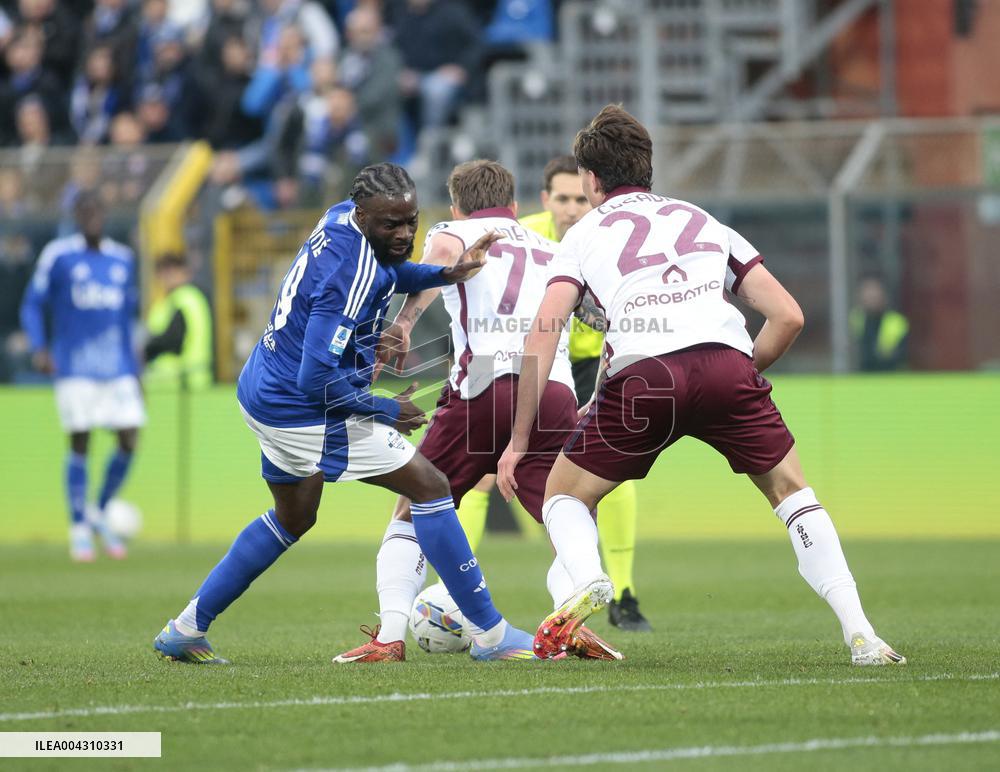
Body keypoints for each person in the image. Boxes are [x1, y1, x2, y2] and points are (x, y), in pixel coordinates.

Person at [497, 105, 906, 667]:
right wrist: (741, 372)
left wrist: (519, 441)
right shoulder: (702, 219)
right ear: (647, 166)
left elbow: (543, 335)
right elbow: (788, 315)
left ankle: (589, 580)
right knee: (793, 493)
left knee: (565, 496)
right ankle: (862, 635)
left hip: (644, 377)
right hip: (726, 364)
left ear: (591, 180)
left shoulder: (583, 233)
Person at [153, 162, 537, 664]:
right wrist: (384, 408)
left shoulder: (339, 219)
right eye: (390, 225)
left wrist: (446, 273)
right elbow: (314, 379)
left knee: (294, 516)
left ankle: (185, 629)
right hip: (301, 407)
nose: (403, 234)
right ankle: (491, 634)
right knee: (430, 485)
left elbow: (393, 269)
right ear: (364, 215)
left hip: (264, 387)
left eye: (411, 222)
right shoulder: (346, 275)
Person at [337, 159, 622, 663]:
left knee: (413, 504)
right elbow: (596, 315)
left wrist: (404, 319)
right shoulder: (555, 249)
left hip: (484, 386)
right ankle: (571, 615)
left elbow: (444, 256)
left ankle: (391, 635)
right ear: (514, 206)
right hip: (551, 391)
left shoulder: (454, 230)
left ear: (455, 206)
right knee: (567, 512)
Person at [518, 155, 651, 632]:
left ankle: (624, 591)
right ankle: (458, 586)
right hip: (540, 363)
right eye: (563, 198)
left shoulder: (610, 233)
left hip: (598, 363)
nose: (573, 208)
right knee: (488, 475)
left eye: (580, 197)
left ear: (592, 195)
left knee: (612, 472)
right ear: (545, 199)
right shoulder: (526, 236)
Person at [20, 191, 144, 562]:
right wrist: (39, 347)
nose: (92, 217)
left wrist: (135, 370)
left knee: (129, 437)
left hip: (117, 366)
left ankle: (99, 510)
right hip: (74, 365)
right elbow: (32, 303)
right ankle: (78, 526)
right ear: (76, 216)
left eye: (97, 211)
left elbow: (126, 320)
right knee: (81, 441)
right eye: (85, 212)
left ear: (104, 215)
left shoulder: (121, 259)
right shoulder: (58, 256)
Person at [144, 253, 214, 390]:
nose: (167, 277)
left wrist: (145, 350)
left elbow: (173, 339)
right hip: (186, 382)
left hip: (182, 383)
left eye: (171, 271)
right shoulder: (172, 301)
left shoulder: (184, 299)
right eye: (163, 272)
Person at [851, 273, 909, 371]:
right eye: (868, 293)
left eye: (875, 292)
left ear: (884, 295)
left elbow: (902, 354)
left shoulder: (896, 321)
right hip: (860, 375)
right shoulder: (855, 318)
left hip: (891, 375)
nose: (871, 297)